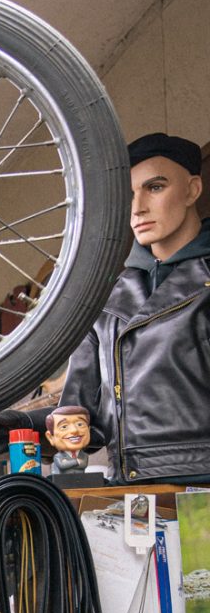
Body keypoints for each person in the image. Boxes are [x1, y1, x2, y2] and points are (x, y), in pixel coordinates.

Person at [62, 132, 210, 482]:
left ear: (192, 190)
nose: (138, 207)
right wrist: (18, 424)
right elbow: (80, 416)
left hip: (200, 490)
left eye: (154, 187)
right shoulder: (104, 300)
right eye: (130, 194)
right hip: (128, 494)